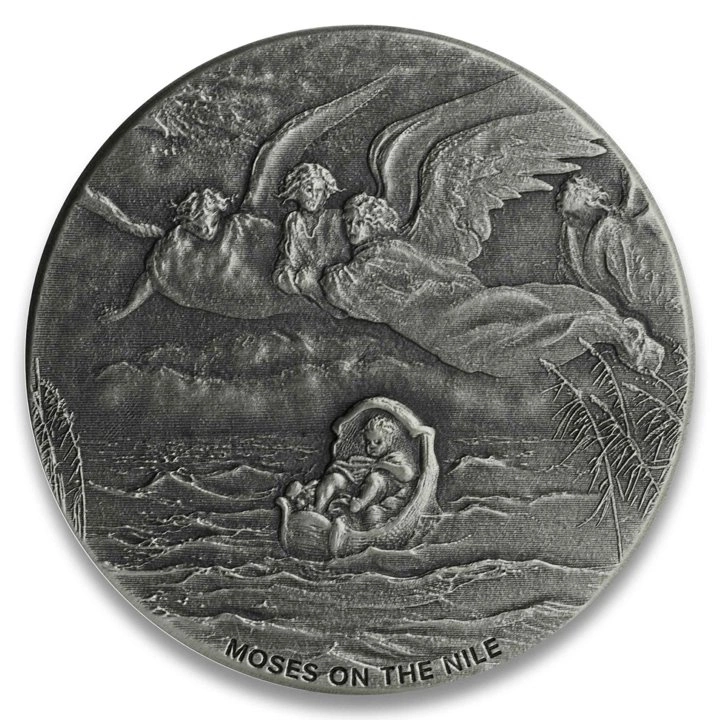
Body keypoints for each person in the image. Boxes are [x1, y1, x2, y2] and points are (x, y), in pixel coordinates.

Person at [272, 163, 349, 314]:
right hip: (303, 279)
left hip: (332, 280)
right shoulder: (293, 221)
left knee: (306, 280)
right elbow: (288, 257)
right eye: (308, 190)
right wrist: (287, 272)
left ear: (326, 193)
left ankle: (333, 309)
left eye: (319, 190)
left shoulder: (335, 218)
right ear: (296, 192)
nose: (314, 196)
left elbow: (344, 257)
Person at [313, 414, 416, 515]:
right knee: (334, 478)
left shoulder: (394, 457)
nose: (371, 446)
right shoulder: (364, 460)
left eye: (377, 442)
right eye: (368, 442)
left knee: (374, 478)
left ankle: (359, 504)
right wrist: (346, 469)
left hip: (377, 491)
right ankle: (317, 511)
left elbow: (407, 475)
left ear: (389, 441)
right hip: (357, 486)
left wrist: (384, 465)